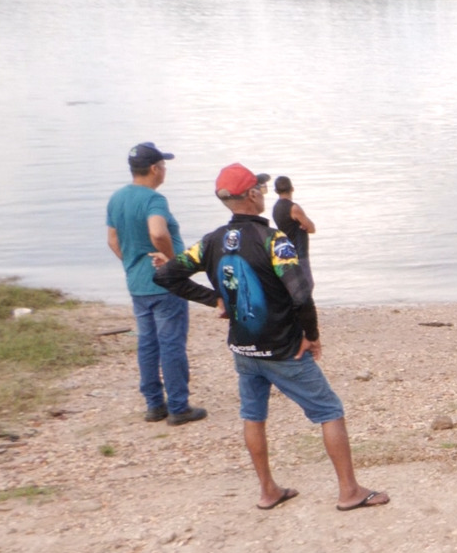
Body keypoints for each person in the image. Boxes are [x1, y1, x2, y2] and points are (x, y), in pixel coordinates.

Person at [155, 163, 389, 513]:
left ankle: (268, 490)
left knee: (253, 415)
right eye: (260, 189)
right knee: (330, 411)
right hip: (283, 349)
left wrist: (214, 298)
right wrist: (311, 336)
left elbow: (168, 276)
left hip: (244, 349)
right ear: (251, 195)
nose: (263, 194)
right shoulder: (275, 241)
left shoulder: (211, 242)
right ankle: (349, 491)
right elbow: (301, 293)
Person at [105, 142, 206, 425]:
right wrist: (176, 264)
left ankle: (154, 404)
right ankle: (178, 407)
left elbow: (112, 240)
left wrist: (132, 264)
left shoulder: (117, 198)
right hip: (164, 284)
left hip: (137, 282)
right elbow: (158, 233)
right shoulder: (153, 200)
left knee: (148, 343)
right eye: (163, 165)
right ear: (154, 169)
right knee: (171, 343)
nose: (164, 171)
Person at [272, 176, 316, 266]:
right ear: (292, 189)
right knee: (304, 279)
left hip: (285, 252)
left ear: (276, 191)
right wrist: (305, 226)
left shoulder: (275, 208)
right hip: (299, 254)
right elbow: (312, 229)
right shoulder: (294, 208)